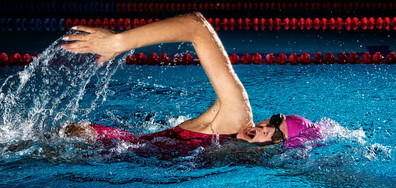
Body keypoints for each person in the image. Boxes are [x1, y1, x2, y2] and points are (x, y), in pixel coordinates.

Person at [61, 12, 320, 154]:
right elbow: (196, 25)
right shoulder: (236, 117)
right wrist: (118, 43)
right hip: (96, 144)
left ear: (279, 151)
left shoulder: (230, 152)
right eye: (275, 121)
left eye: (276, 136)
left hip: (113, 155)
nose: (266, 129)